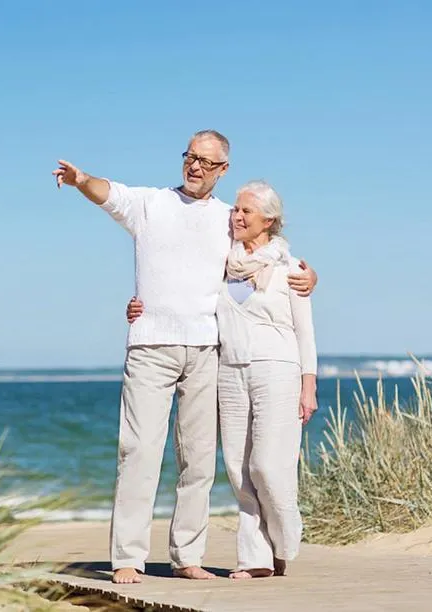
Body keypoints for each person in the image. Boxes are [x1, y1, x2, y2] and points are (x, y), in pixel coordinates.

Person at [52, 130, 317, 584]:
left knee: (198, 461)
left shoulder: (226, 220)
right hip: (151, 347)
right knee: (138, 452)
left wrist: (310, 278)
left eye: (206, 162)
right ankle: (128, 558)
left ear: (222, 170)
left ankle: (187, 557)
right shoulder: (151, 204)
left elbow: (267, 259)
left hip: (208, 349)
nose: (194, 167)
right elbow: (107, 192)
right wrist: (80, 180)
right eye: (190, 157)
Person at [126, 179, 318, 579]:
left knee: (268, 465)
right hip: (228, 371)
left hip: (277, 371)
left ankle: (285, 542)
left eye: (246, 210)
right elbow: (181, 291)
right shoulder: (222, 266)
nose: (237, 215)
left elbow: (305, 332)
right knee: (238, 468)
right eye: (236, 209)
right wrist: (141, 306)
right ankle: (255, 559)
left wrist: (308, 384)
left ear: (269, 219)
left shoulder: (291, 269)